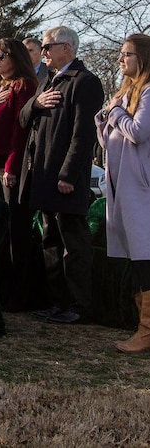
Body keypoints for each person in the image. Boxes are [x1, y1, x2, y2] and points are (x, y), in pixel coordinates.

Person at [20, 25, 104, 324]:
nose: (43, 53)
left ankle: (79, 306)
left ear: (67, 48)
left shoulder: (85, 82)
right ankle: (57, 302)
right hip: (43, 175)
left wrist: (68, 174)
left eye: (47, 47)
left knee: (73, 244)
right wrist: (35, 103)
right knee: (50, 241)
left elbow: (83, 135)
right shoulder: (47, 81)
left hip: (66, 178)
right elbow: (23, 118)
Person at [0, 37, 44, 311]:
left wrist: (12, 167)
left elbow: (20, 130)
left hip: (9, 162)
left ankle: (20, 292)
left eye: (2, 56)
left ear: (16, 58)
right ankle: (2, 289)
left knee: (16, 226)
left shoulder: (23, 86)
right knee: (0, 223)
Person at [95, 33, 150, 353]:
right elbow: (112, 145)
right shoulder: (127, 92)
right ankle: (143, 327)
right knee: (138, 259)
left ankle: (145, 331)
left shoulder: (147, 92)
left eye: (127, 54)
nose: (120, 59)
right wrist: (104, 122)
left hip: (140, 191)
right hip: (123, 188)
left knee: (145, 259)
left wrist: (115, 114)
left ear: (141, 58)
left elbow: (139, 132)